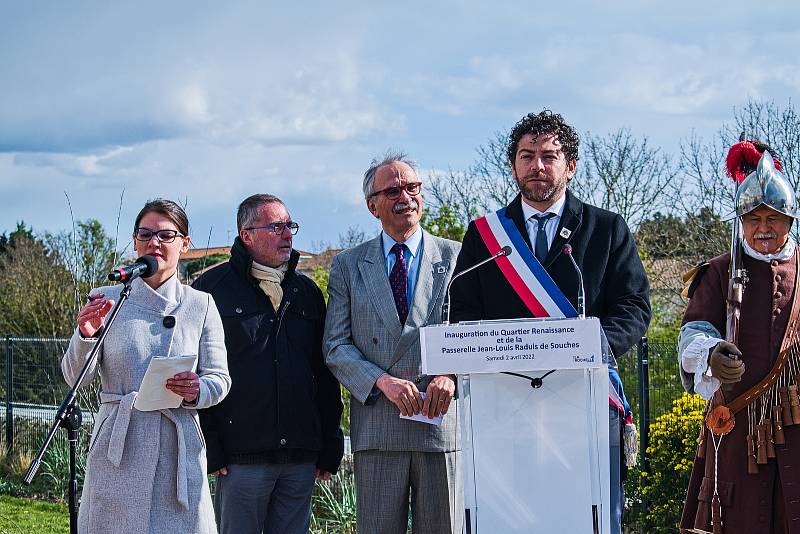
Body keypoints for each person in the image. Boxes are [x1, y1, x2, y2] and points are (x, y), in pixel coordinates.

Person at [449, 110, 651, 534]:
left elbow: (634, 307)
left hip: (584, 397)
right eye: (527, 156)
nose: (537, 166)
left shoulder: (606, 229)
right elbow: (462, 312)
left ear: (571, 166)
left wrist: (593, 346)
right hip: (499, 403)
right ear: (513, 165)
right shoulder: (485, 236)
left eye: (549, 156)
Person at [62, 199, 230, 534]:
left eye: (166, 235)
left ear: (184, 244)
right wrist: (85, 334)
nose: (154, 242)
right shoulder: (107, 298)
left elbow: (220, 379)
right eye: (145, 234)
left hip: (177, 447)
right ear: (135, 241)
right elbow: (76, 377)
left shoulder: (201, 304)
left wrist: (197, 389)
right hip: (119, 447)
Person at [324, 152, 463, 534]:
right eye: (393, 190)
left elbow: (473, 333)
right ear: (373, 206)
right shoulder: (348, 265)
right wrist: (382, 382)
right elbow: (335, 345)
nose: (406, 196)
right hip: (378, 428)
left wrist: (449, 374)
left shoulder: (458, 257)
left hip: (440, 426)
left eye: (412, 187)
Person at [194, 194, 344, 534]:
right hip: (240, 460)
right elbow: (200, 375)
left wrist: (329, 443)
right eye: (276, 226)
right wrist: (211, 448)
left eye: (289, 225)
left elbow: (324, 373)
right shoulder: (210, 291)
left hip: (300, 457)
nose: (288, 234)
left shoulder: (306, 292)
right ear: (247, 235)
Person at [679, 141, 800, 533]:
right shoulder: (717, 271)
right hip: (734, 431)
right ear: (741, 222)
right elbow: (693, 331)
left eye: (774, 218)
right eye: (754, 219)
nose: (764, 228)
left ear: (789, 220)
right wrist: (711, 354)